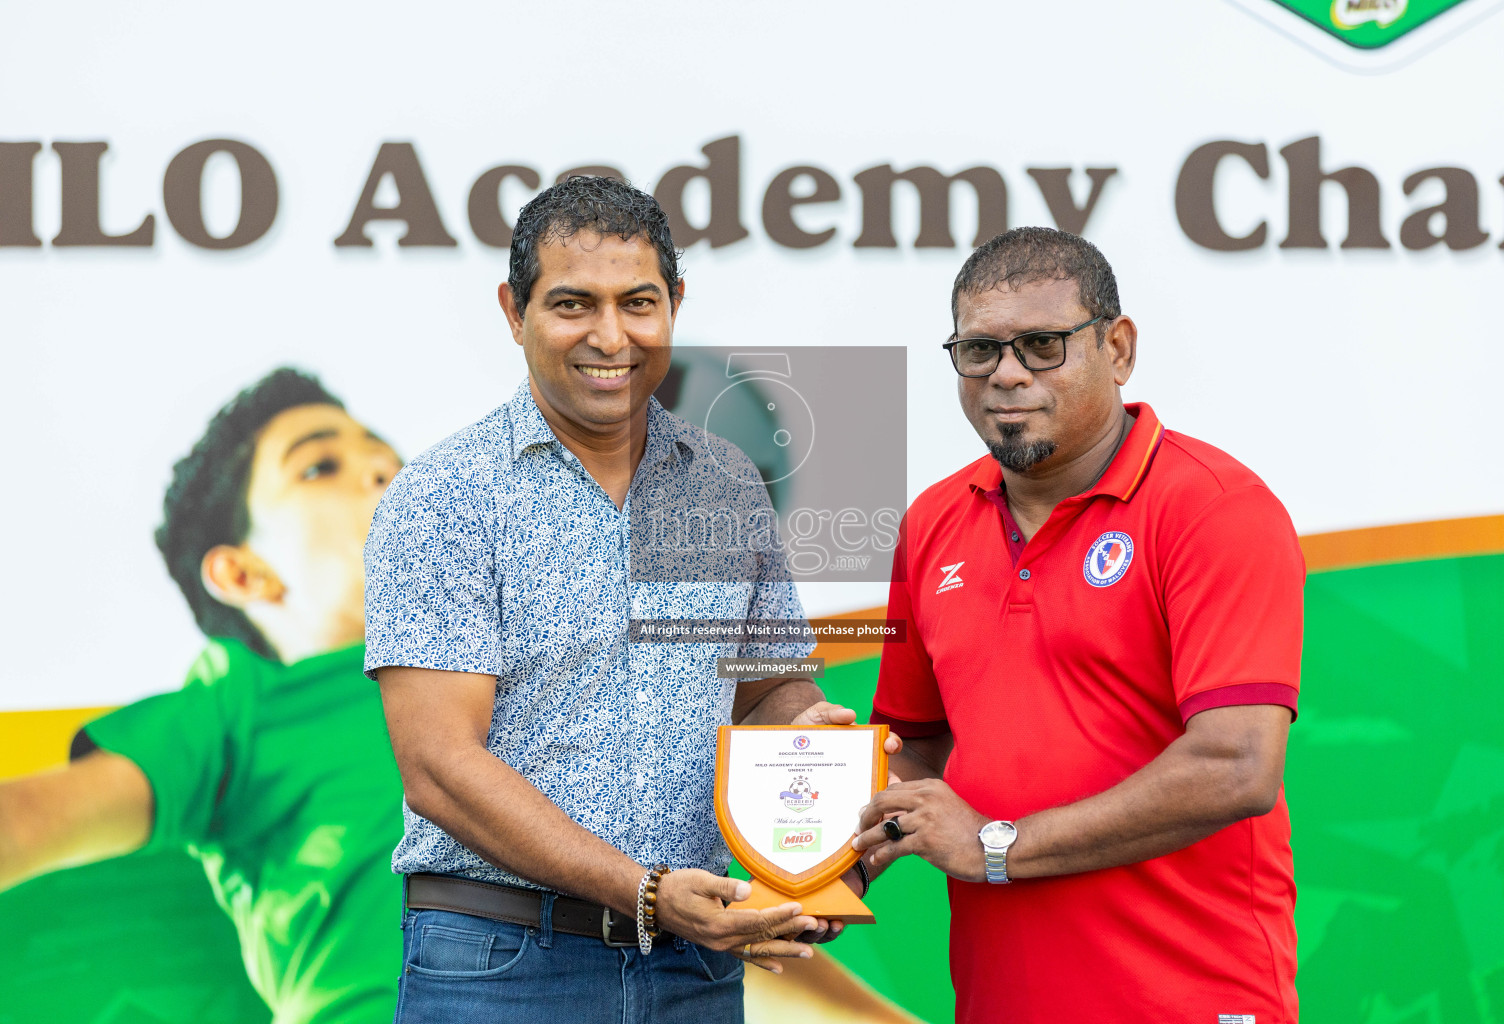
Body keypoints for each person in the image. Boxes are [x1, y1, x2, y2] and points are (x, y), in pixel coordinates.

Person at [365, 176, 893, 1024]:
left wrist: (809, 766)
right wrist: (644, 893)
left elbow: (764, 691)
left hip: (695, 965)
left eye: (638, 303)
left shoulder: (722, 483)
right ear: (514, 310)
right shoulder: (447, 496)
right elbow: (439, 769)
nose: (611, 336)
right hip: (500, 966)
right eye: (573, 304)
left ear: (674, 305)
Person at [853, 227, 1304, 1023]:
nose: (1008, 375)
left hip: (1190, 1000)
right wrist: (826, 867)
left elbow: (1237, 767)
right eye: (980, 351)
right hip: (1002, 1002)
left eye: (1042, 345)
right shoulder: (932, 523)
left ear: (1118, 349)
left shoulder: (1214, 508)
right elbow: (915, 749)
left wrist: (998, 848)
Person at [0, 368, 407, 1024]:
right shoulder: (237, 711)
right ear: (244, 572)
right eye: (319, 467)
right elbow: (19, 824)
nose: (384, 469)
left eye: (386, 455)